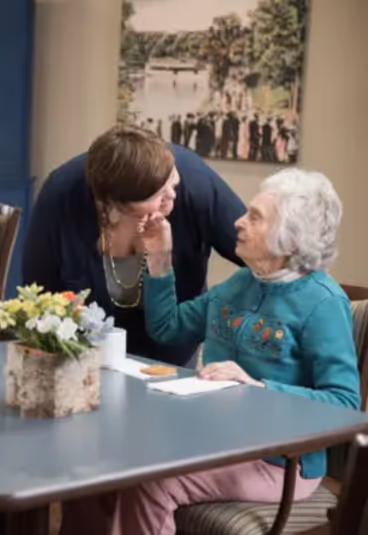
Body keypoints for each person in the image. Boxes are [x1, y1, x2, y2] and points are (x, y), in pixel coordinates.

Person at [61, 168, 361, 535]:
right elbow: (167, 326)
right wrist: (159, 257)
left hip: (279, 463)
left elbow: (345, 404)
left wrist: (259, 389)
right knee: (101, 458)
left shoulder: (324, 303)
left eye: (254, 217)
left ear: (292, 237)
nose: (237, 222)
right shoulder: (241, 282)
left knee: (151, 482)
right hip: (213, 441)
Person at [23, 126, 246, 367]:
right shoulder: (62, 194)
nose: (171, 198)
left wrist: (224, 315)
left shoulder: (195, 183)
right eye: (159, 195)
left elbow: (267, 257)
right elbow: (39, 293)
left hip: (172, 358)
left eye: (174, 185)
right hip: (85, 353)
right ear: (116, 203)